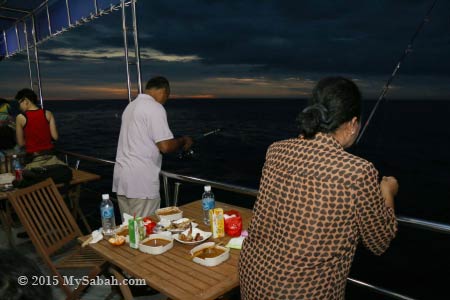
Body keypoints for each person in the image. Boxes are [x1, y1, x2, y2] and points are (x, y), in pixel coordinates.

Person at [239, 76, 398, 300]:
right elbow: (379, 241)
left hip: (253, 281)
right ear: (353, 125)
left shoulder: (275, 151)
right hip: (304, 293)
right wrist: (388, 191)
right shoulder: (358, 171)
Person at [113, 76, 193, 218]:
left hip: (122, 180)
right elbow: (165, 146)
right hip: (141, 184)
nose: (165, 100)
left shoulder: (131, 106)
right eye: (167, 96)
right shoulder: (155, 108)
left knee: (129, 231)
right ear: (164, 91)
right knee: (145, 232)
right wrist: (183, 141)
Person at [15, 88, 59, 163]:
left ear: (25, 101)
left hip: (33, 158)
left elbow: (20, 143)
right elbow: (55, 137)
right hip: (50, 155)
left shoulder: (20, 117)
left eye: (19, 103)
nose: (19, 107)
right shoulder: (48, 113)